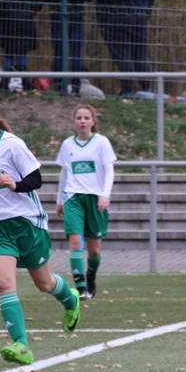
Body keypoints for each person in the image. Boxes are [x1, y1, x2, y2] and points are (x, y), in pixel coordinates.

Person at [0, 94, 80, 366]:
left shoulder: (12, 145)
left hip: (27, 222)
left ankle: (71, 300)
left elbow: (36, 179)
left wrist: (15, 185)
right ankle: (21, 344)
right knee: (3, 283)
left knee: (44, 284)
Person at [55, 104, 116, 300]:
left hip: (95, 198)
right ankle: (80, 287)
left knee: (95, 250)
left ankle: (90, 276)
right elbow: (64, 173)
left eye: (86, 118)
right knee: (75, 243)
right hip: (73, 197)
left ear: (93, 121)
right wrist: (59, 200)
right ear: (74, 121)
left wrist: (105, 195)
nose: (82, 121)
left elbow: (109, 171)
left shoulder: (102, 142)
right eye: (79, 118)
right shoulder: (67, 145)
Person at [96, 0, 155, 97]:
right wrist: (146, 14)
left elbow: (101, 2)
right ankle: (147, 89)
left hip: (117, 18)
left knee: (123, 55)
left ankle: (127, 90)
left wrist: (102, 24)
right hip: (140, 17)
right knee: (141, 54)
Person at [42, 0, 95, 94]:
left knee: (59, 50)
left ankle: (60, 83)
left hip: (57, 15)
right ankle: (76, 85)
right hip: (77, 15)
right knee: (76, 51)